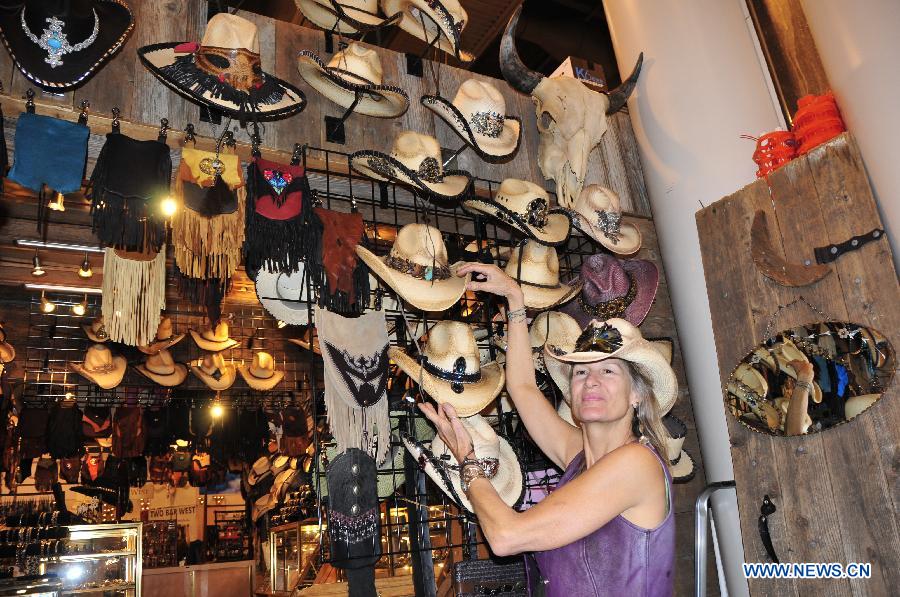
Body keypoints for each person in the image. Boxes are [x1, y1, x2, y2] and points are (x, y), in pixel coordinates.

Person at [418, 263, 676, 596]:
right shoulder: (581, 458)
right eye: (581, 372)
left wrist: (468, 461)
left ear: (637, 394)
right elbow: (523, 388)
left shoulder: (637, 465)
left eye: (609, 371)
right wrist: (515, 301)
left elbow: (506, 536)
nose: (591, 381)